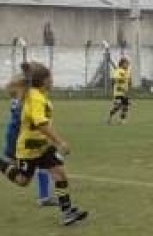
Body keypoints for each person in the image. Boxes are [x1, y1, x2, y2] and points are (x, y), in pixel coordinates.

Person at [0, 62, 88, 225]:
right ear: (44, 80)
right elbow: (41, 124)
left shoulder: (38, 93)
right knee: (23, 181)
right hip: (29, 147)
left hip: (43, 146)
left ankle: (67, 212)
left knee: (59, 173)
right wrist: (59, 141)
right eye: (50, 78)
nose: (53, 81)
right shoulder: (35, 98)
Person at [4, 73, 55, 206]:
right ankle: (44, 197)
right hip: (19, 139)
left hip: (25, 138)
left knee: (45, 161)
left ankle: (44, 197)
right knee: (23, 179)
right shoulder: (25, 100)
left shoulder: (23, 98)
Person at [106, 57, 132, 125]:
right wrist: (121, 88)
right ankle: (109, 117)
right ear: (122, 64)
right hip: (119, 92)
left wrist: (128, 90)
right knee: (118, 106)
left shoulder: (127, 72)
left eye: (128, 64)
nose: (127, 65)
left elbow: (128, 82)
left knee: (125, 107)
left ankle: (122, 120)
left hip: (125, 93)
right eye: (126, 63)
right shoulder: (119, 71)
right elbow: (116, 81)